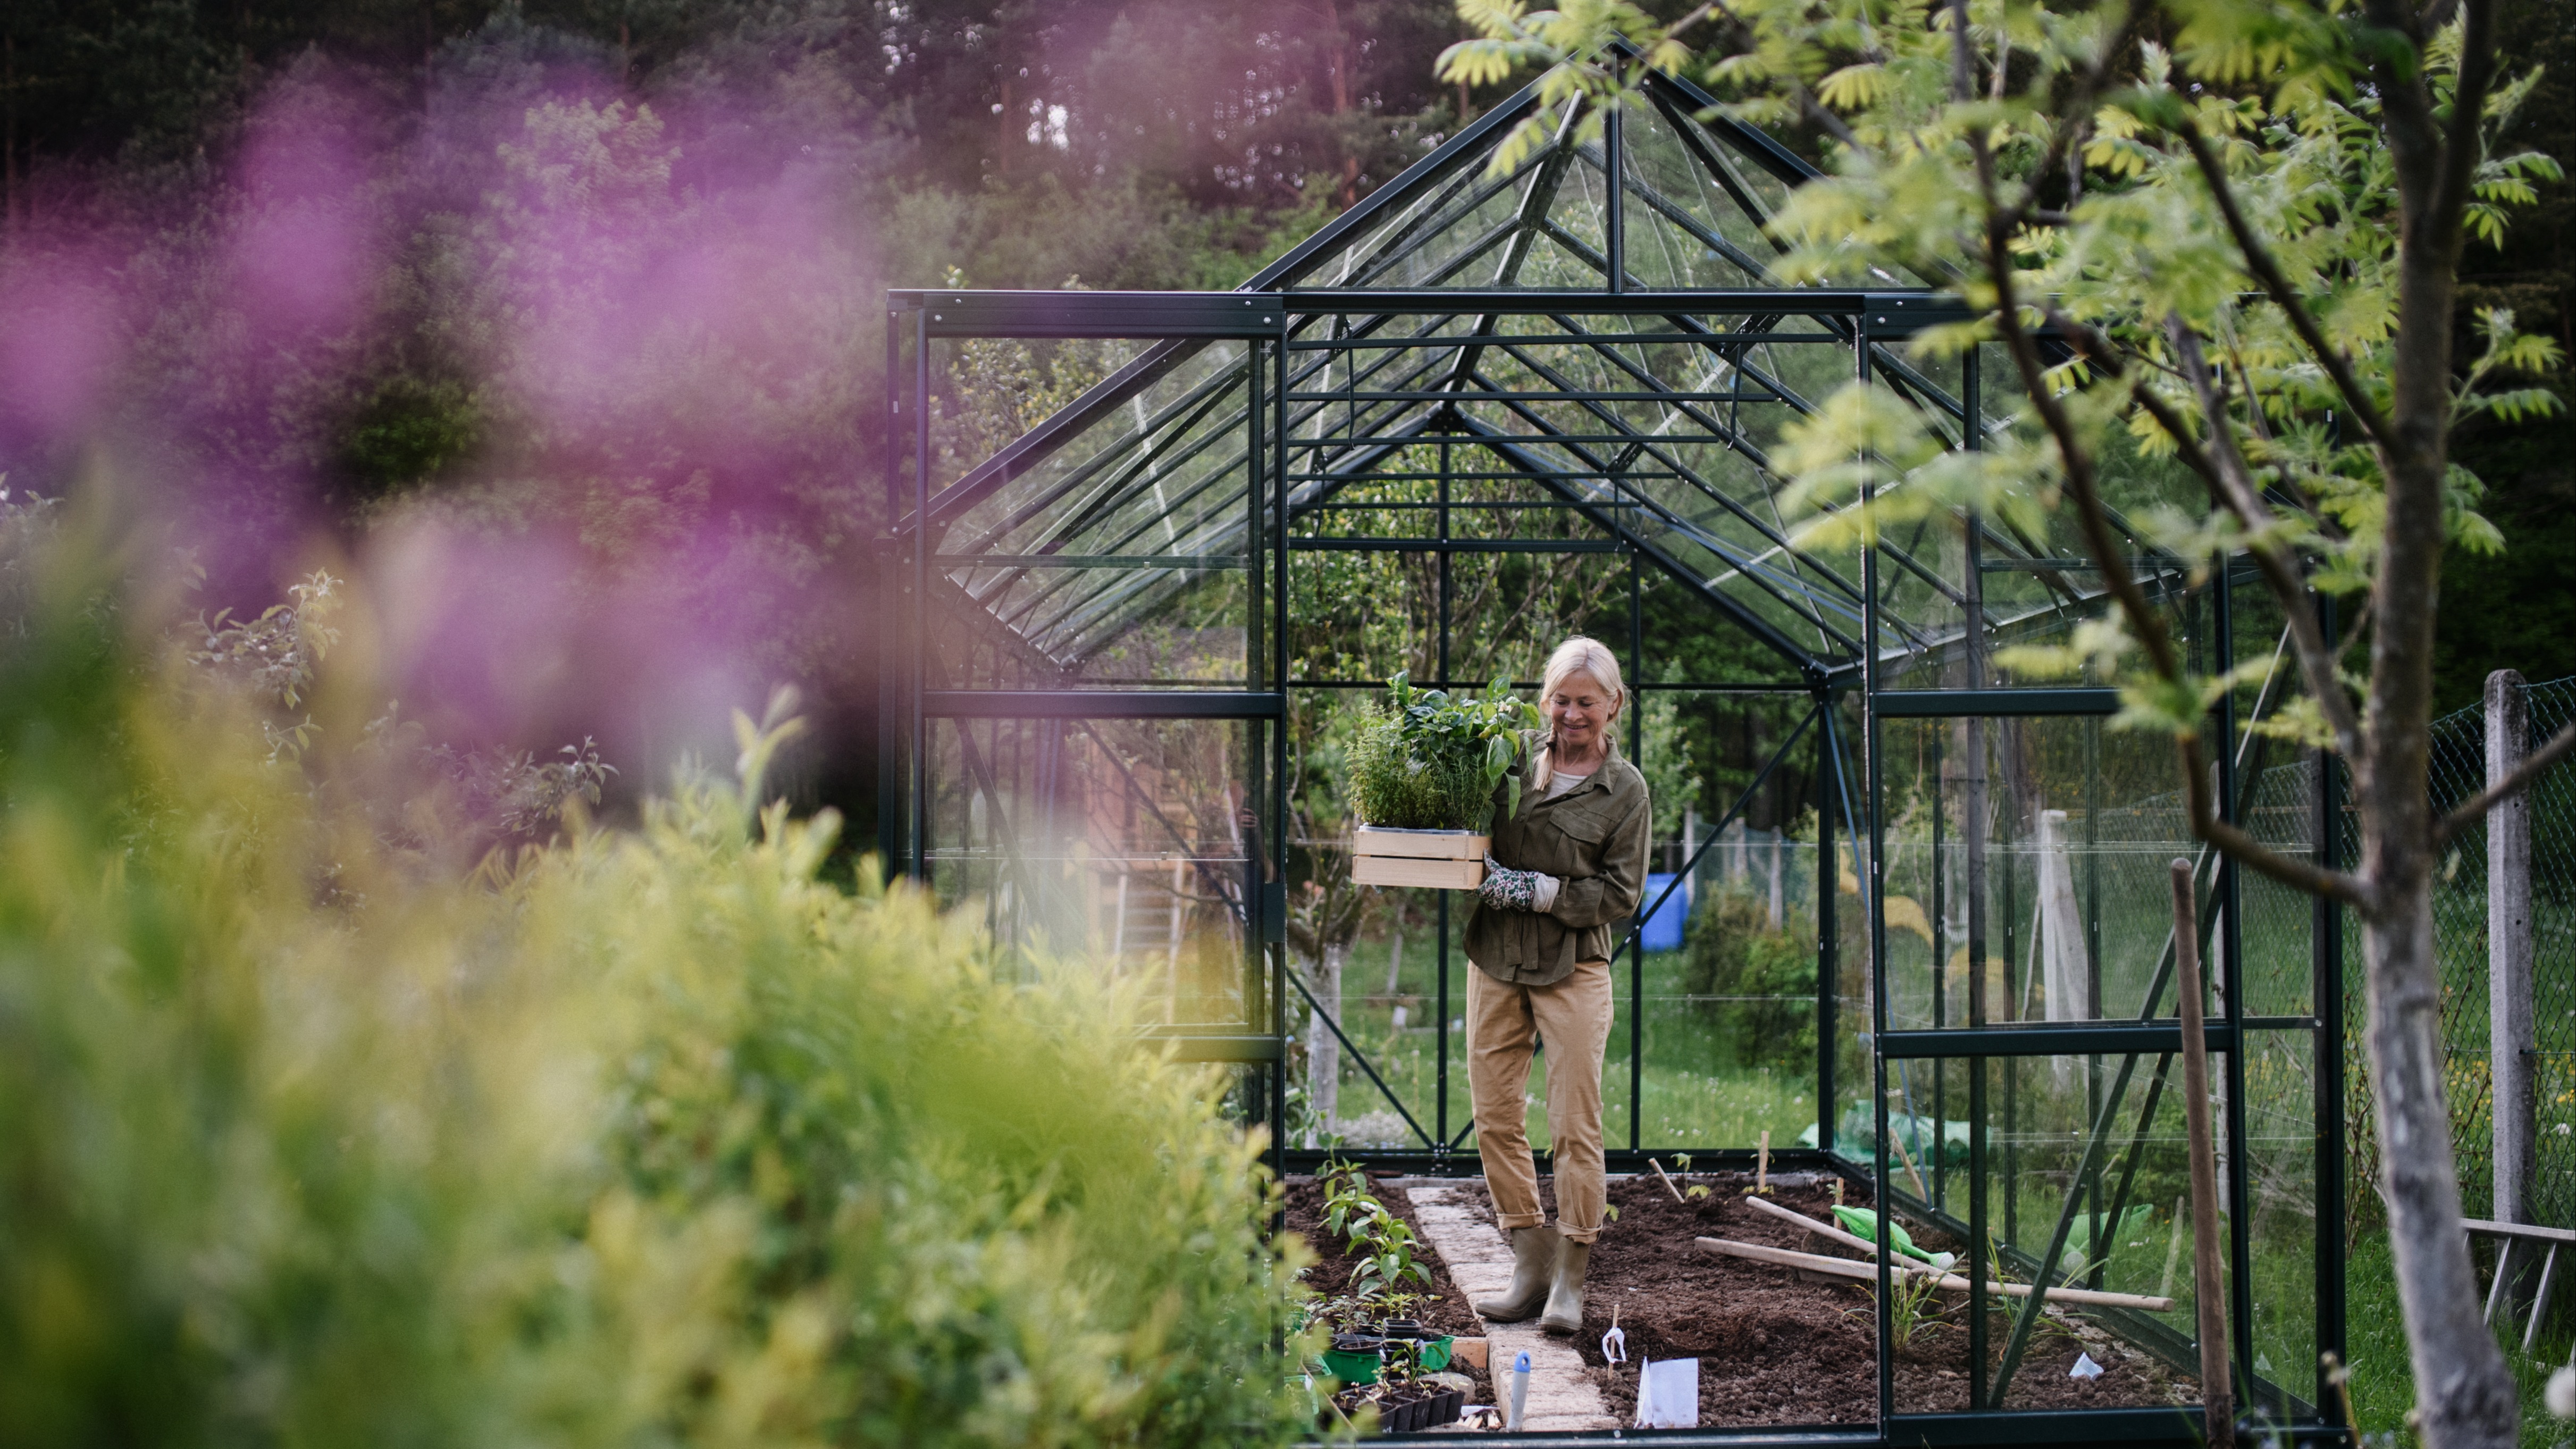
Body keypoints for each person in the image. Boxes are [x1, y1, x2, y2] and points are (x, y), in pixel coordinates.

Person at [1463, 636, 1650, 1335]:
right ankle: (1529, 1261)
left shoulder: (1623, 789)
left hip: (1573, 964)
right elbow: (1461, 826)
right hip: (1495, 956)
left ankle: (1571, 1273)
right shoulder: (1507, 760)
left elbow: (1622, 890)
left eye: (1586, 703)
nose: (1571, 715)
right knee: (1495, 1114)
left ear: (1613, 706)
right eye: (1561, 700)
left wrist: (1540, 890)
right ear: (1545, 699)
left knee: (1574, 1123)